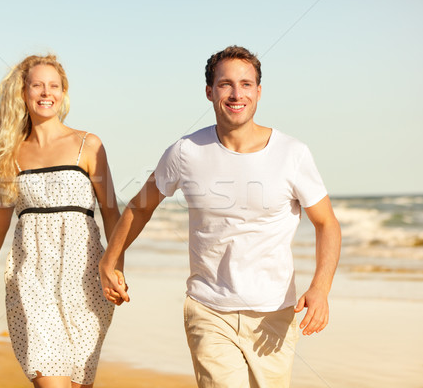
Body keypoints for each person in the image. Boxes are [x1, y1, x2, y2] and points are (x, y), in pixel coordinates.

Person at [99, 46, 341, 388]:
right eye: (226, 84)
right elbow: (140, 207)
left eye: (246, 83)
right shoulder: (185, 151)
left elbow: (326, 223)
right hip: (208, 308)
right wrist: (110, 259)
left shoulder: (292, 154)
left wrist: (320, 288)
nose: (236, 93)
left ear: (259, 91)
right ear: (210, 91)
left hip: (274, 313)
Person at [0, 54, 125, 388]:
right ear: (23, 93)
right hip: (32, 278)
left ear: (63, 92)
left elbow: (111, 212)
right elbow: (0, 217)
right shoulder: (11, 153)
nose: (46, 92)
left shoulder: (87, 145)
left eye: (53, 85)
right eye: (37, 85)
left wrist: (116, 268)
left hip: (85, 279)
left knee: (78, 382)